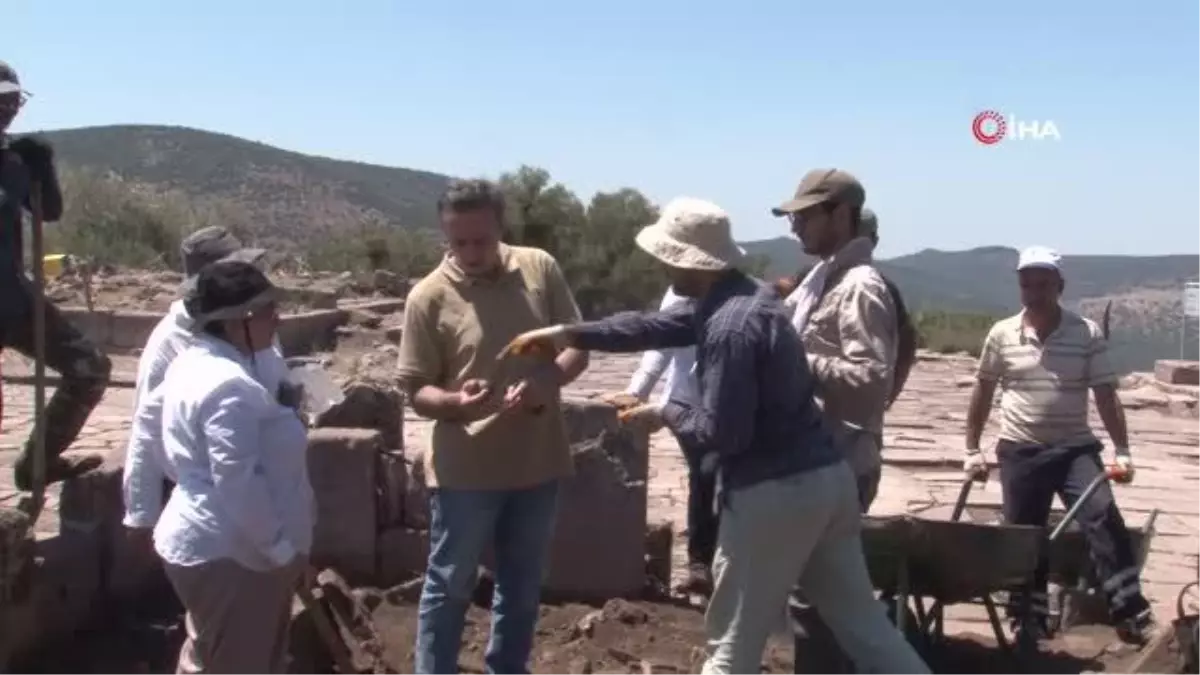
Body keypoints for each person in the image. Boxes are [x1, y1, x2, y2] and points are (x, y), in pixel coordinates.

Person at [499, 196, 931, 675]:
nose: (661, 263)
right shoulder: (744, 296)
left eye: (667, 255)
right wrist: (567, 333)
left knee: (729, 648)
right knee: (866, 629)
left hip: (773, 494)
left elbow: (725, 434)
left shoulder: (729, 327)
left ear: (687, 259)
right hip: (826, 484)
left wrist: (667, 411)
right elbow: (651, 326)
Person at [395, 178, 590, 675]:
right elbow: (416, 387)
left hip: (537, 462)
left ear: (500, 228)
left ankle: (508, 667)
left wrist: (549, 377)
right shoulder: (428, 298)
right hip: (466, 472)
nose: (470, 252)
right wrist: (456, 401)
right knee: (449, 583)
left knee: (522, 584)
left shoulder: (539, 269)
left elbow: (576, 344)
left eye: (481, 240)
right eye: (458, 242)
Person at [964, 246, 1155, 645]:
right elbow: (983, 390)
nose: (1033, 290)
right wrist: (972, 449)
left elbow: (1105, 393)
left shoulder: (1085, 332)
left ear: (1059, 286)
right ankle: (1027, 621)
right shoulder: (1002, 334)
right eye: (1026, 283)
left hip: (1074, 450)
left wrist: (1122, 451)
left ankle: (1128, 611)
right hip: (1020, 448)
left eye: (1043, 283)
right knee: (1023, 536)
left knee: (1102, 515)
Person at [149, 259, 313, 675]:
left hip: (211, 543)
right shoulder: (227, 386)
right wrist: (279, 550)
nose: (277, 319)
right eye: (266, 310)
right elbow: (237, 482)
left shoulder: (193, 364)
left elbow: (169, 451)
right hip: (237, 554)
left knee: (214, 656)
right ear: (238, 320)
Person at [770, 172, 903, 672]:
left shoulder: (859, 288)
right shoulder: (826, 279)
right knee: (827, 602)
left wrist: (795, 359)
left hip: (841, 462)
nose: (796, 227)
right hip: (818, 460)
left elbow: (871, 383)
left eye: (805, 216)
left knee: (822, 605)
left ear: (841, 214)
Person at [122, 226, 289, 550]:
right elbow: (146, 428)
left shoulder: (254, 324)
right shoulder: (171, 344)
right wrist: (141, 514)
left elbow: (273, 381)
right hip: (210, 504)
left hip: (260, 492)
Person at [0, 60, 111, 490]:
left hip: (13, 299)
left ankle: (37, 466)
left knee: (90, 367)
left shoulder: (13, 158)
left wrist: (40, 166)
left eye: (14, 99)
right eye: (1, 99)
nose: (10, 108)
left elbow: (48, 212)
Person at [601, 284, 718, 596]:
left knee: (715, 478)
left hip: (722, 404)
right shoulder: (677, 292)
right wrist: (637, 390)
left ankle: (710, 561)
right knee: (704, 476)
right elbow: (660, 346)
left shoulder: (737, 296)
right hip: (683, 402)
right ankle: (701, 564)